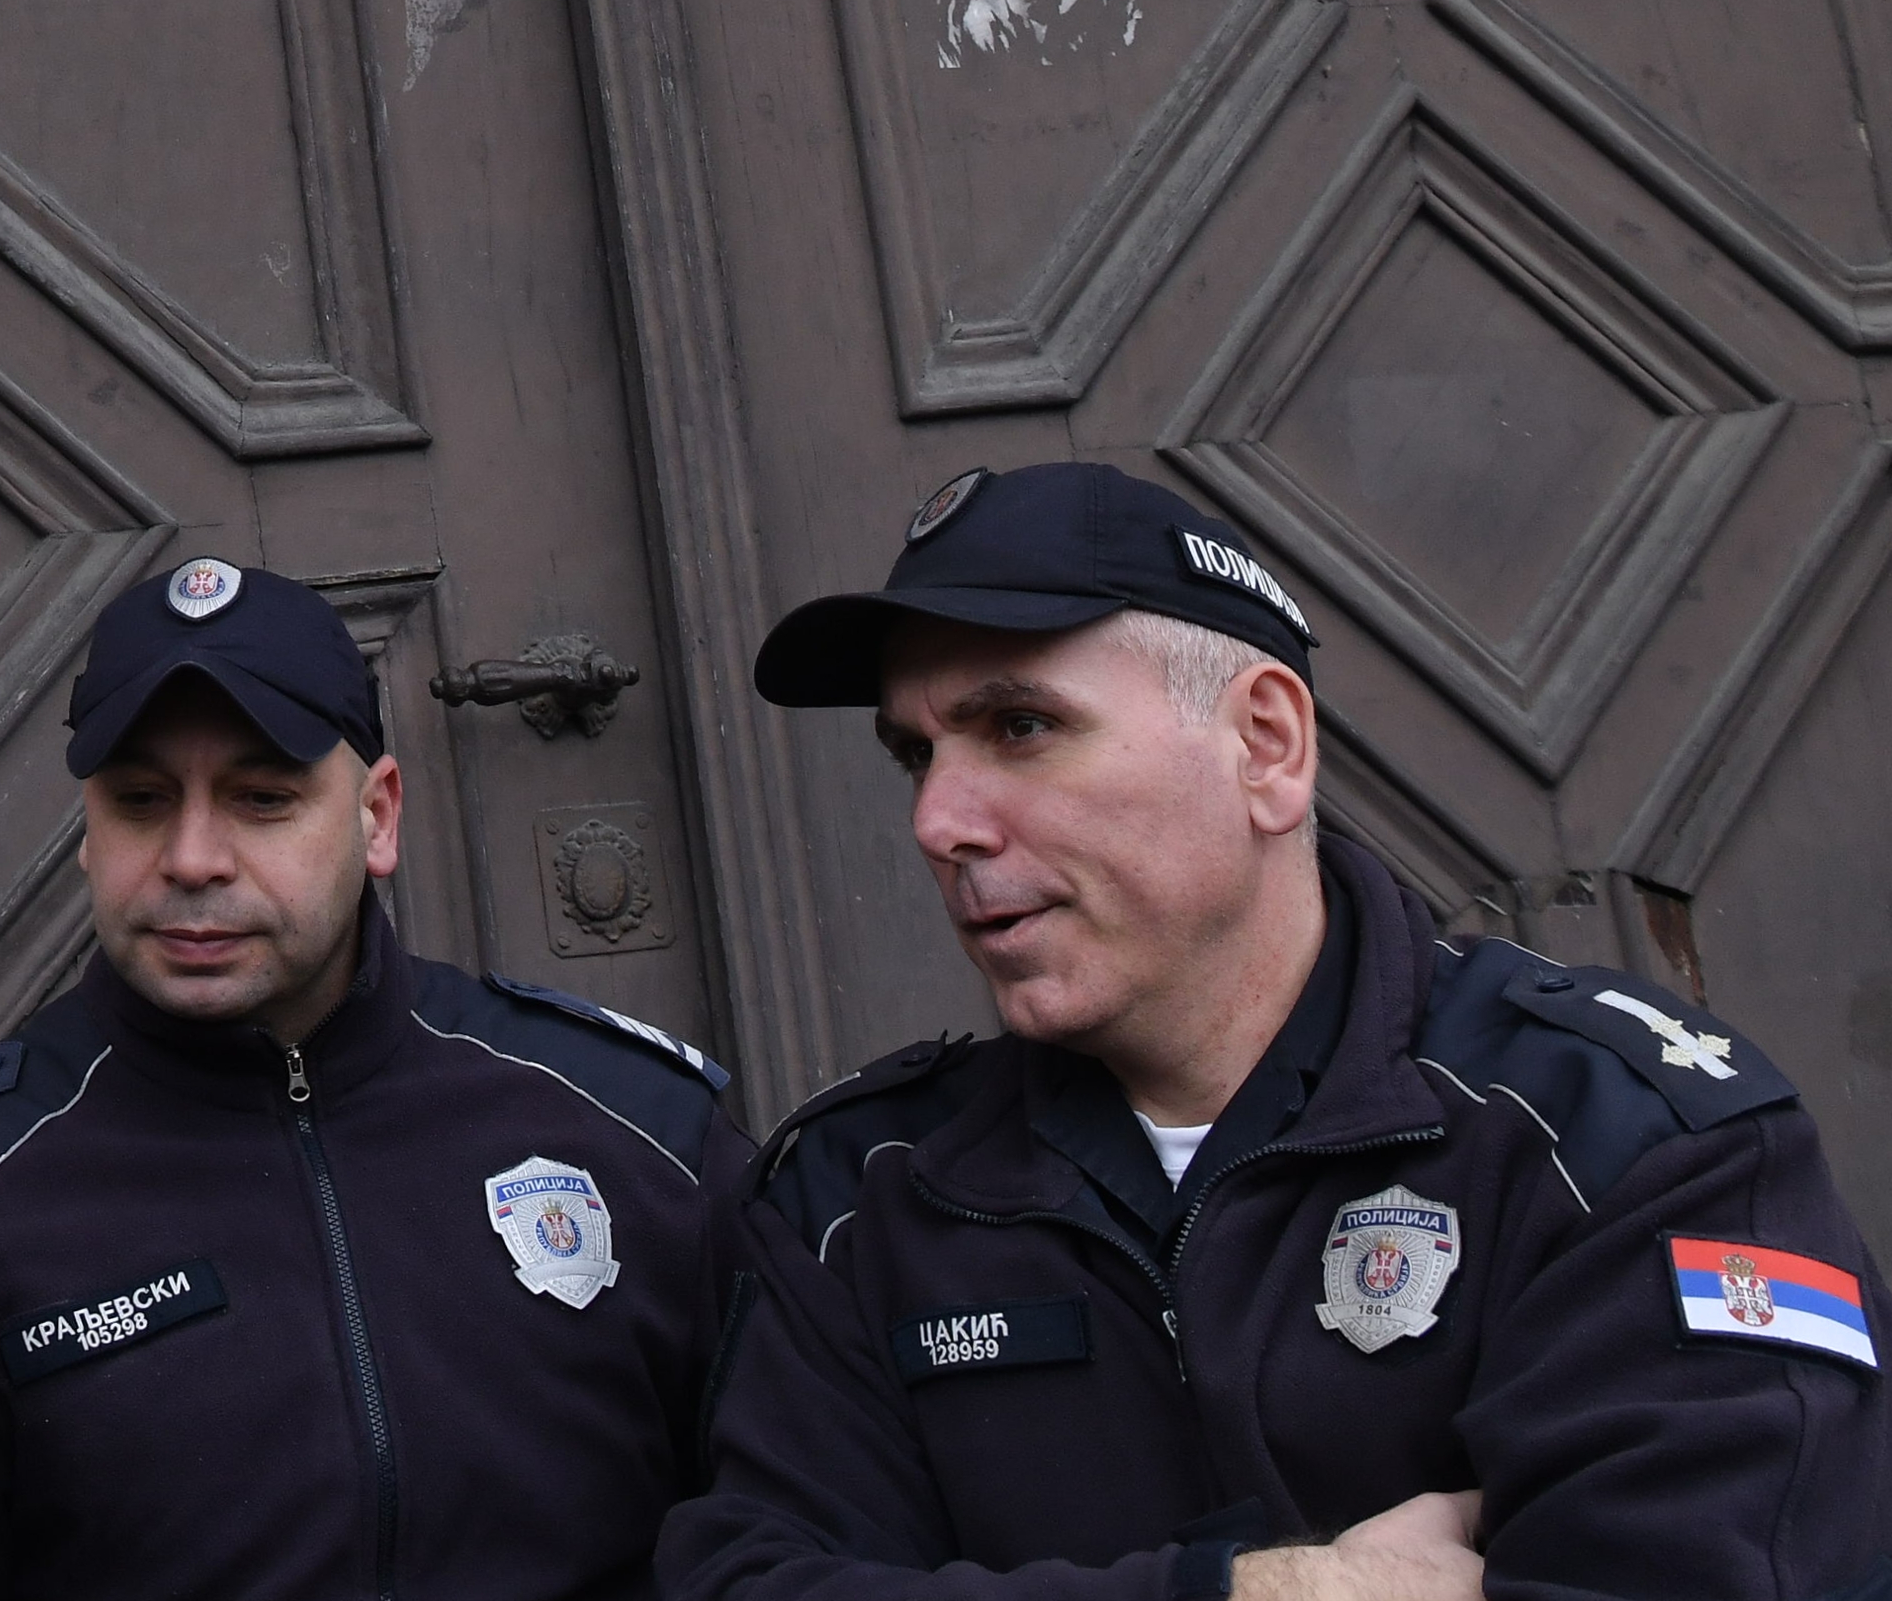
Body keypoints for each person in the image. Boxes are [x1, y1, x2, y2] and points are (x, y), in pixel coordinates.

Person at [666, 460, 1892, 1601]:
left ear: (1266, 742)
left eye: (1019, 727)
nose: (941, 819)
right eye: (915, 754)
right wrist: (1256, 1590)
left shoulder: (1616, 1137)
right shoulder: (860, 1199)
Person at [0, 555, 748, 1599]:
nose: (192, 856)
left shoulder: (638, 1125)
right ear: (88, 829)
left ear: (377, 816)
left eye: (262, 797)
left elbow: (795, 1520)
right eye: (141, 800)